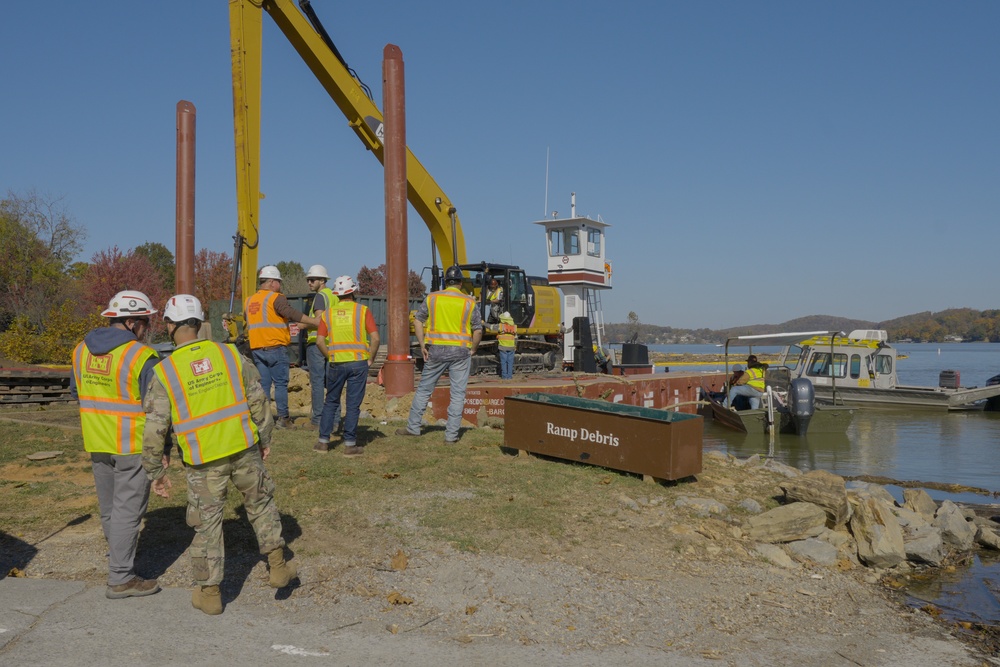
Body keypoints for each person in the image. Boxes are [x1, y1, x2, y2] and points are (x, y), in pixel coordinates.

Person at [141, 294, 296, 616]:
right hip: (243, 448)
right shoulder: (229, 354)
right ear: (199, 323)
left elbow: (155, 427)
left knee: (207, 524)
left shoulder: (165, 372)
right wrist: (264, 438)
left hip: (203, 461)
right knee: (261, 504)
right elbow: (258, 399)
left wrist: (155, 470)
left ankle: (210, 593)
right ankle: (278, 565)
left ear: (169, 326)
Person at [70, 290, 161, 600]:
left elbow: (75, 391)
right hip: (132, 442)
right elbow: (157, 405)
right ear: (132, 322)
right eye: (145, 323)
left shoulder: (80, 350)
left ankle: (119, 562)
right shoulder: (141, 356)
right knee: (127, 510)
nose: (147, 329)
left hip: (96, 440)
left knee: (110, 508)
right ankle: (121, 577)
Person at [396, 265, 483, 443]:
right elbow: (478, 330)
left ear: (445, 281)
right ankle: (451, 436)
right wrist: (473, 349)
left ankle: (413, 427)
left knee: (424, 389)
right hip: (460, 351)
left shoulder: (432, 298)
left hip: (436, 350)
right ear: (460, 282)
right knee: (458, 393)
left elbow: (418, 320)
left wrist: (422, 345)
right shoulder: (469, 302)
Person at [244, 265, 320, 428]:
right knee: (280, 384)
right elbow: (290, 313)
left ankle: (263, 419)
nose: (280, 285)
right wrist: (314, 321)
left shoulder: (249, 301)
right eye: (278, 282)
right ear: (271, 282)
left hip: (257, 349)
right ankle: (283, 419)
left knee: (263, 385)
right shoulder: (275, 298)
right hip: (275, 347)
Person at [314, 276, 380, 456]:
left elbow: (320, 341)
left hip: (336, 363)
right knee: (353, 404)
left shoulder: (328, 314)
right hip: (358, 363)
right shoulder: (362, 311)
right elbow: (375, 338)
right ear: (353, 291)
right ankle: (350, 444)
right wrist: (371, 359)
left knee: (331, 402)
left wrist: (331, 357)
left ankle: (323, 442)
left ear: (337, 294)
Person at [303, 264, 338, 427]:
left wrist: (302, 325)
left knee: (317, 382)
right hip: (332, 344)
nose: (310, 282)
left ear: (322, 280)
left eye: (313, 279)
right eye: (309, 280)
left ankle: (317, 419)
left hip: (317, 344)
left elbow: (319, 322)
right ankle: (335, 419)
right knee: (333, 383)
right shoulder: (334, 296)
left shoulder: (319, 297)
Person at [497, 311, 516, 380]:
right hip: (511, 347)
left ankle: (504, 377)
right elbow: (515, 337)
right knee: (510, 362)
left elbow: (491, 327)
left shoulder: (501, 326)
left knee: (503, 362)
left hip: (503, 347)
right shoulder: (514, 327)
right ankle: (509, 376)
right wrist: (515, 346)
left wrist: (483, 323)